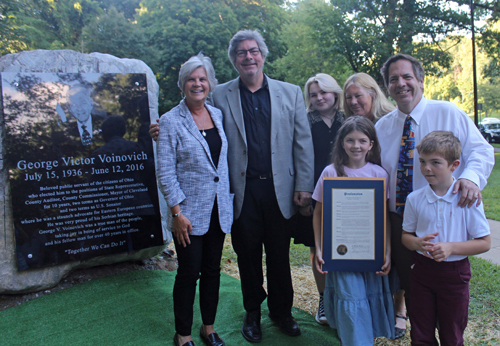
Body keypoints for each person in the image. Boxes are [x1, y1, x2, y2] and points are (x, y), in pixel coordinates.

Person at [151, 30, 314, 343]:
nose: (248, 57)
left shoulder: (290, 92)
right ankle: (252, 312)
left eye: (253, 51)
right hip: (240, 193)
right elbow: (191, 108)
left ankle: (282, 312)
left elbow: (302, 142)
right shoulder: (220, 95)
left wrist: (304, 185)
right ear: (234, 60)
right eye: (241, 53)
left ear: (262, 55)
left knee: (279, 256)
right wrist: (162, 127)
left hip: (281, 190)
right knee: (247, 255)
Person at [375, 53, 494, 315]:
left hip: (442, 217)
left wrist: (470, 178)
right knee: (412, 284)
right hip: (400, 221)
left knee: (447, 291)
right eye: (393, 79)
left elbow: (481, 151)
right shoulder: (382, 127)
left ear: (420, 80)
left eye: (407, 76)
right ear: (387, 88)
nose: (401, 83)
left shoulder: (448, 112)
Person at [156, 53, 233, 346]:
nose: (197, 84)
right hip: (187, 215)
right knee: (189, 272)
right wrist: (176, 214)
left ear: (210, 83)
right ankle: (183, 334)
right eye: (191, 79)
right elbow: (165, 171)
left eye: (202, 79)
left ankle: (208, 329)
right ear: (182, 84)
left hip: (218, 209)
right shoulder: (170, 121)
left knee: (213, 270)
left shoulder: (218, 115)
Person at [402, 131, 491, 345]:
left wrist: (451, 248)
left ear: (454, 165)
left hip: (454, 275)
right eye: (422, 161)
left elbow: (485, 242)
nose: (427, 168)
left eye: (435, 162)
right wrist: (416, 243)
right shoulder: (414, 199)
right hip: (421, 271)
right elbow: (406, 236)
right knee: (420, 331)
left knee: (452, 332)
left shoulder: (468, 199)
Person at [313, 116, 394, 345]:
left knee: (366, 301)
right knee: (351, 299)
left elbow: (384, 219)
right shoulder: (330, 172)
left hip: (370, 254)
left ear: (371, 144)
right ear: (341, 143)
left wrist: (386, 252)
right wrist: (319, 248)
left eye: (362, 140)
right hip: (341, 254)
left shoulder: (379, 174)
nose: (356, 146)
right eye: (350, 140)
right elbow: (318, 213)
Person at [343, 72, 408, 339]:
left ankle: (400, 308)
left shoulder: (392, 120)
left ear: (373, 93)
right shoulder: (349, 126)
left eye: (359, 95)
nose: (354, 101)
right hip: (362, 204)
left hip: (393, 196)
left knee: (398, 255)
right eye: (349, 97)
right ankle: (374, 309)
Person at [292, 73, 344, 325]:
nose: (319, 97)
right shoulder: (303, 121)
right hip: (313, 193)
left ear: (335, 93)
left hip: (347, 194)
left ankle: (344, 298)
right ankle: (324, 298)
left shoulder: (349, 120)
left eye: (324, 92)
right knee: (318, 249)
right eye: (313, 94)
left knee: (346, 246)